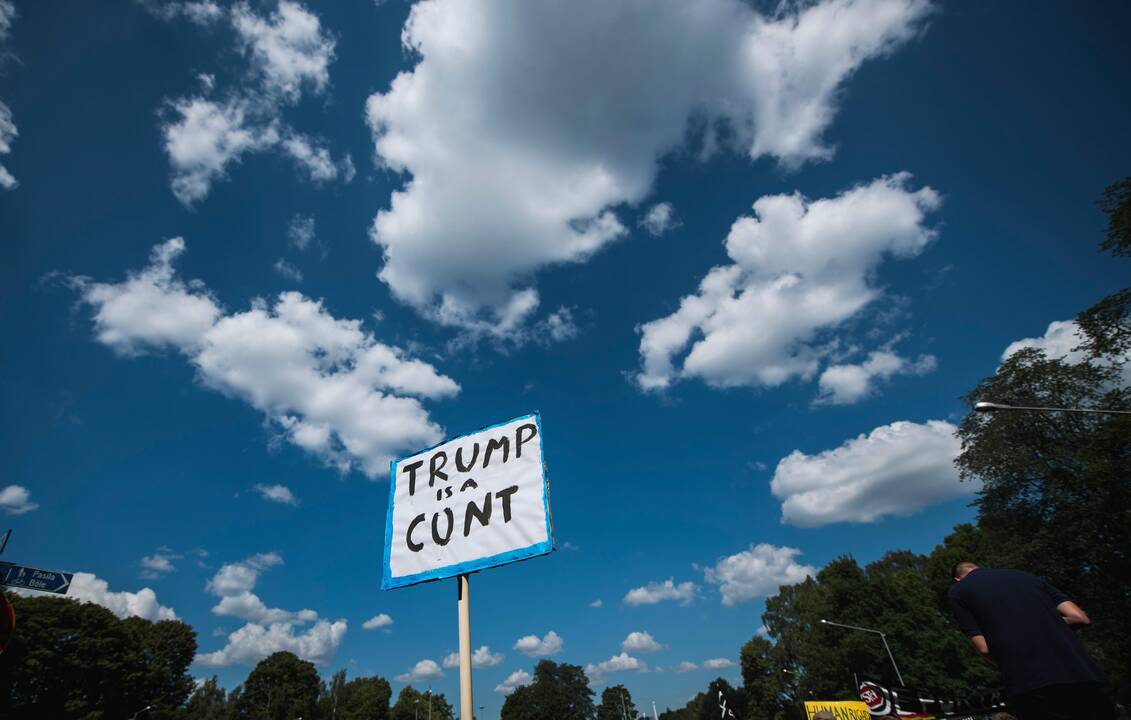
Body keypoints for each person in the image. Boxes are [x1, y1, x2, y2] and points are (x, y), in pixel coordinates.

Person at [947, 561, 1114, 720]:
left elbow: (984, 648)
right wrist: (1042, 622)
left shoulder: (959, 591)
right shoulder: (1026, 576)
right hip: (1083, 675)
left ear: (957, 578)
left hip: (1032, 683)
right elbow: (1079, 617)